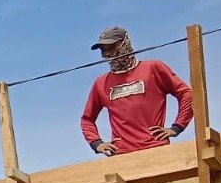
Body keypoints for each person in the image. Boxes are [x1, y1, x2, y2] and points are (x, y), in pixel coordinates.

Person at [80, 25, 194, 156]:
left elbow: (187, 93)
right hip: (121, 155)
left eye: (111, 47)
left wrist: (177, 127)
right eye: (103, 50)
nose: (107, 54)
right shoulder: (101, 83)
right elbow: (87, 119)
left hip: (156, 149)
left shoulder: (154, 68)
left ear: (125, 43)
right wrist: (96, 143)